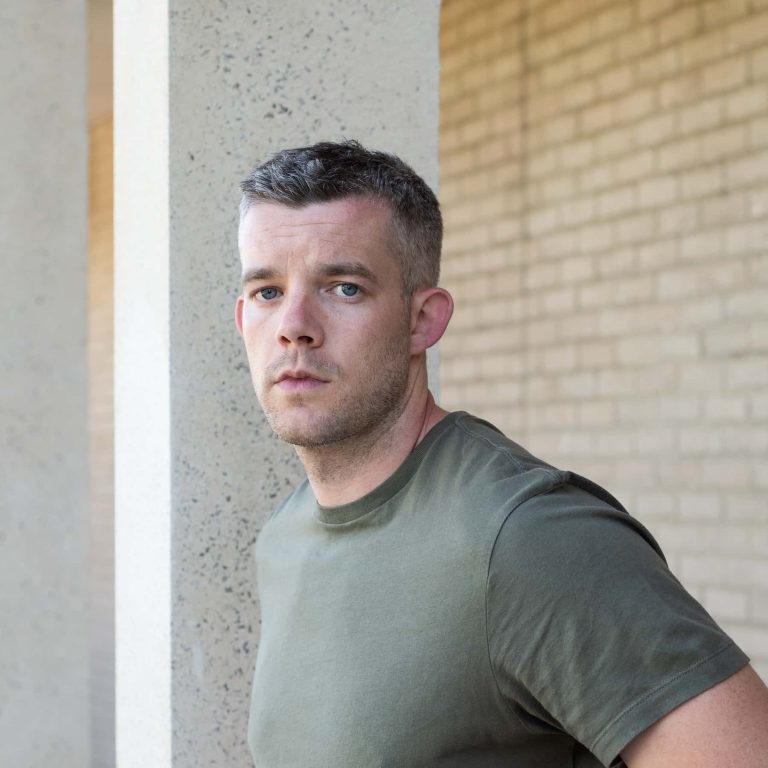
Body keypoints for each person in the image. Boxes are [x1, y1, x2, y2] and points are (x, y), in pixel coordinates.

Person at [235, 140, 768, 767]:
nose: (294, 325)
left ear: (423, 321)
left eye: (345, 288)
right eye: (267, 292)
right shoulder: (284, 535)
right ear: (242, 318)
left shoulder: (530, 537)